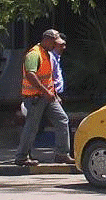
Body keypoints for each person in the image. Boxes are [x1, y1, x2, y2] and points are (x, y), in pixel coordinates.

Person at [14, 29, 74, 166]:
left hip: (47, 97)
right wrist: (46, 91)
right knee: (32, 127)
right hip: (35, 98)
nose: (56, 46)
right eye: (55, 43)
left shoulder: (47, 54)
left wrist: (54, 94)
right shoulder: (34, 54)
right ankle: (21, 157)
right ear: (47, 40)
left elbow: (48, 77)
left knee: (62, 120)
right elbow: (30, 74)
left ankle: (62, 154)